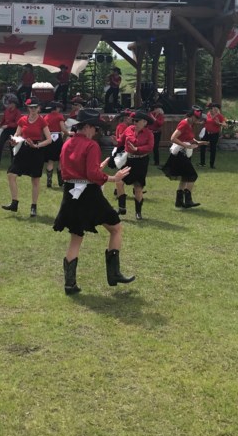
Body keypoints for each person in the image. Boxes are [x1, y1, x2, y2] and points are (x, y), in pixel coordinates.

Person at [53, 108, 136, 295]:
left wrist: (97, 169)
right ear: (88, 126)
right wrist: (115, 178)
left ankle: (69, 284)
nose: (96, 132)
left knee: (76, 236)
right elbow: (91, 175)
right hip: (89, 194)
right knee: (115, 228)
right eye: (95, 128)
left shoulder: (67, 144)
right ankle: (114, 274)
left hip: (71, 194)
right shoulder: (91, 146)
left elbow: (70, 171)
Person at [2, 98, 53, 217]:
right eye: (31, 107)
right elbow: (17, 134)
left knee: (35, 179)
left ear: (39, 108)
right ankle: (14, 202)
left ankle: (33, 206)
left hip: (36, 151)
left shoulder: (42, 121)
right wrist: (14, 140)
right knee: (11, 174)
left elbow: (49, 139)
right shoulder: (23, 120)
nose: (33, 110)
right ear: (27, 108)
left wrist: (37, 145)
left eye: (35, 107)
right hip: (23, 149)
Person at [161, 105, 209, 208]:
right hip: (180, 153)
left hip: (185, 153)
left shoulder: (190, 125)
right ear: (191, 116)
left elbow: (189, 138)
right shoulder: (184, 123)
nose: (197, 120)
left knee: (185, 177)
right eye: (196, 118)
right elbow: (173, 138)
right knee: (192, 175)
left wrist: (199, 142)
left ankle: (179, 202)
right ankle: (188, 200)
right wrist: (185, 145)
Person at [122, 110, 155, 220]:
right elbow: (120, 140)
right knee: (119, 181)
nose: (134, 122)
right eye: (134, 120)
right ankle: (122, 207)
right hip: (128, 159)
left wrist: (137, 149)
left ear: (144, 122)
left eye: (137, 121)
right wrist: (114, 142)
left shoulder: (149, 133)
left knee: (138, 186)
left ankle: (138, 212)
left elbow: (150, 147)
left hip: (141, 161)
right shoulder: (128, 129)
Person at [43, 100, 67, 188]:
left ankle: (49, 181)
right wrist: (69, 133)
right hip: (57, 138)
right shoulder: (59, 116)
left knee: (50, 160)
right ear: (56, 108)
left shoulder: (46, 117)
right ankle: (61, 181)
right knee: (60, 160)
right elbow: (63, 129)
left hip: (49, 138)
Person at [0, 95, 22, 166]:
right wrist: (0, 123)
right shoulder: (6, 111)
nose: (8, 105)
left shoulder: (17, 112)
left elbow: (17, 123)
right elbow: (4, 119)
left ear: (14, 104)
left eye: (9, 103)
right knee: (0, 144)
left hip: (13, 130)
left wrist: (7, 125)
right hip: (6, 130)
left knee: (12, 146)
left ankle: (13, 162)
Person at [198, 102, 227, 168]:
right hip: (206, 133)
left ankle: (212, 164)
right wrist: (201, 122)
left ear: (215, 109)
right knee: (202, 147)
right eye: (210, 109)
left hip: (214, 134)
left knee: (213, 149)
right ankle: (202, 163)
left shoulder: (220, 116)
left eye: (212, 109)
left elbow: (225, 125)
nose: (211, 110)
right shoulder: (208, 114)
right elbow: (206, 121)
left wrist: (219, 123)